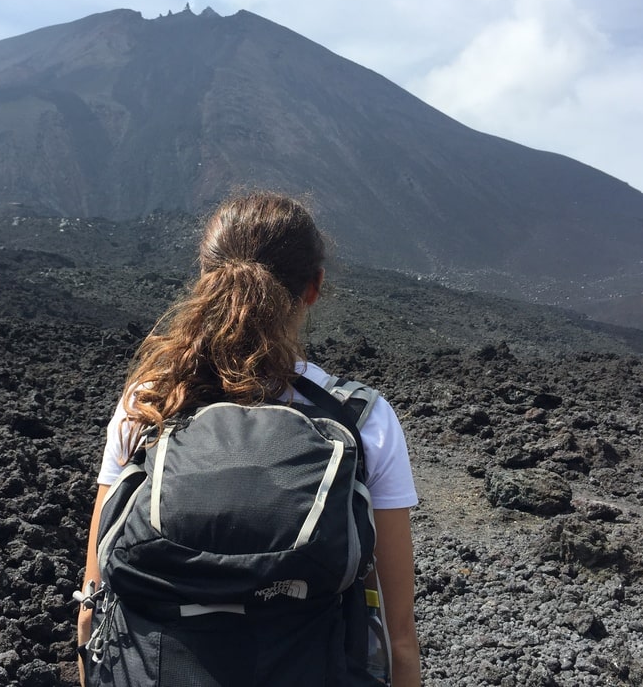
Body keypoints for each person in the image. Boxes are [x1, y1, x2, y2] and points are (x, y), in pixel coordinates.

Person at [78, 191, 421, 686]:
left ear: (205, 278)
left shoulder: (151, 403)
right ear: (314, 287)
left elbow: (94, 602)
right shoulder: (362, 420)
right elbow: (396, 635)